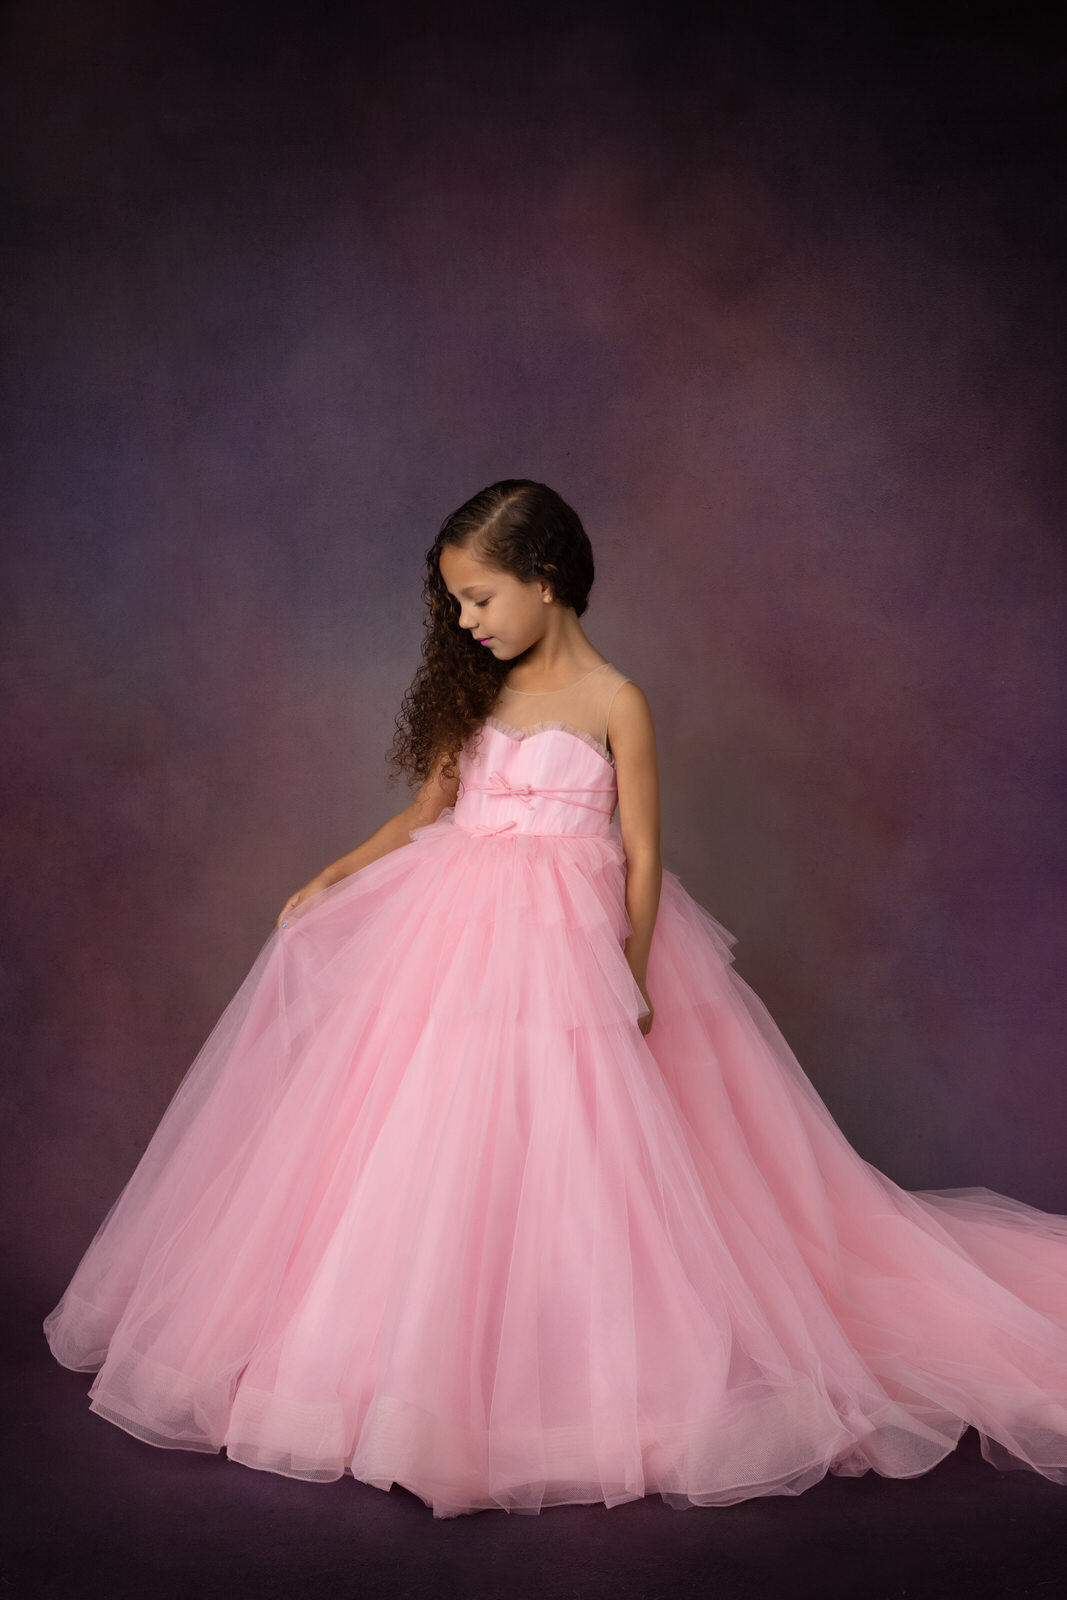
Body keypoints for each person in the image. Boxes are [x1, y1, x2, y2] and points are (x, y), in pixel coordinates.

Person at [45, 480, 1067, 1519]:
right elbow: (425, 811)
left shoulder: (615, 699)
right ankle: (412, 1378)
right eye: (453, 604)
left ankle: (573, 1377)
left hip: (574, 947)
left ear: (545, 581)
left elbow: (642, 850)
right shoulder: (475, 695)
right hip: (455, 933)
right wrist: (338, 873)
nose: (465, 621)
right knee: (440, 1138)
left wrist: (626, 969)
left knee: (580, 1140)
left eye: (478, 597)